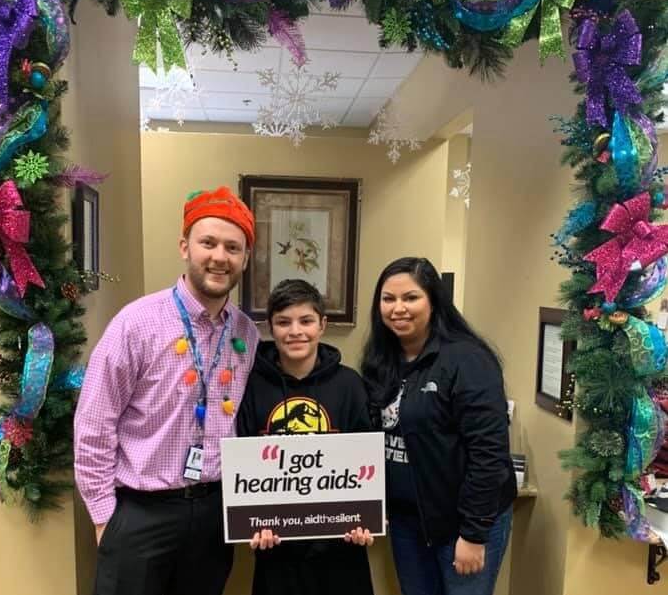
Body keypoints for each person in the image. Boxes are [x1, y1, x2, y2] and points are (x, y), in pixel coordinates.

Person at [74, 186, 260, 595]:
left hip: (213, 516)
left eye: (233, 247)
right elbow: (93, 426)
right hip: (141, 514)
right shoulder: (136, 324)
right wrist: (106, 519)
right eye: (207, 242)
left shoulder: (247, 333)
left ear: (245, 258)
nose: (219, 257)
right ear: (184, 247)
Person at [361, 257, 516, 595]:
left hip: (461, 524)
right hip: (406, 522)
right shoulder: (379, 360)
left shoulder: (467, 359)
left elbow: (489, 453)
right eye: (388, 299)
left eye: (410, 297)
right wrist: (371, 503)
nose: (398, 308)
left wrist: (474, 534)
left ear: (434, 300)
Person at [237, 278, 375, 595]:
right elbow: (241, 459)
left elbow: (365, 461)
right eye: (283, 322)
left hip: (341, 546)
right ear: (270, 328)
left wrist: (363, 517)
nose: (295, 331)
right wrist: (252, 523)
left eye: (306, 321)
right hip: (277, 548)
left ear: (322, 325)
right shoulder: (251, 386)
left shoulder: (350, 385)